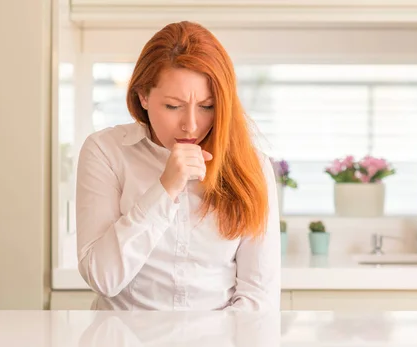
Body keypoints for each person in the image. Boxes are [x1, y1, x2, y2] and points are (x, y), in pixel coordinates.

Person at [76, 21, 280, 311]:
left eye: (207, 106)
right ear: (143, 96)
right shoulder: (105, 151)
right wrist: (165, 188)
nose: (191, 125)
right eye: (173, 106)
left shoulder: (252, 166)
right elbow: (103, 278)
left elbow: (258, 297)